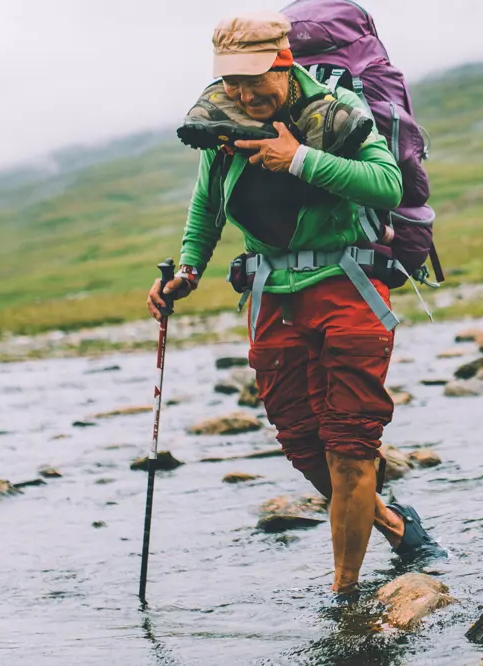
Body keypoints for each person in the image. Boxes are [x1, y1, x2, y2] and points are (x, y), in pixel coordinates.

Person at [146, 11, 444, 596]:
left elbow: (388, 186)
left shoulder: (335, 115)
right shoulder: (222, 122)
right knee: (302, 444)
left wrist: (298, 159)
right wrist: (186, 270)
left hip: (347, 287)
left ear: (284, 62)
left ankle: (345, 598)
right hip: (271, 298)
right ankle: (393, 522)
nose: (242, 93)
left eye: (254, 79)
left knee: (350, 446)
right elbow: (206, 206)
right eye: (231, 81)